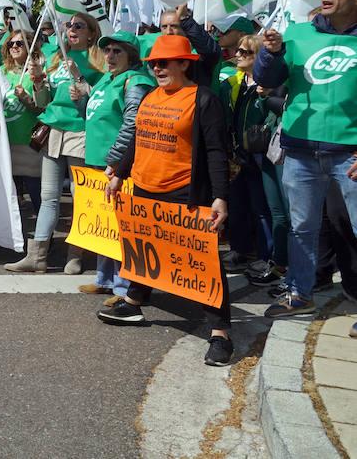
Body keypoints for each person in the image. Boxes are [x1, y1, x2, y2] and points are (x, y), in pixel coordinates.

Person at [99, 34, 234, 367]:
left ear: (184, 64)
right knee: (145, 249)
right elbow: (138, 139)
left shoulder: (202, 99)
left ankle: (220, 332)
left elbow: (217, 151)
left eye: (164, 63)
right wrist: (120, 173)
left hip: (184, 193)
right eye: (154, 63)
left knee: (203, 263)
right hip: (145, 188)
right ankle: (133, 300)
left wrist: (220, 197)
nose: (158, 68)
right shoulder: (150, 97)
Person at [256, 0, 357, 326]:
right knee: (303, 228)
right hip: (300, 151)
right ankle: (299, 294)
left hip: (349, 154)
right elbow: (265, 80)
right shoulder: (297, 34)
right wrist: (271, 54)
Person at [6, 11, 105, 274]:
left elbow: (97, 103)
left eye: (79, 26)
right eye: (69, 25)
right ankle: (36, 257)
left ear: (91, 32)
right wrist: (38, 79)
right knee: (48, 196)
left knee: (78, 196)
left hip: (79, 133)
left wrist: (82, 83)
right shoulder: (57, 58)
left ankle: (75, 255)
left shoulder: (99, 63)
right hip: (53, 131)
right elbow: (42, 103)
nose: (71, 29)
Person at [82, 31, 156, 302]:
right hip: (97, 162)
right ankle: (105, 279)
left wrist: (115, 159)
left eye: (117, 51)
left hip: (118, 166)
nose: (110, 56)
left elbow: (132, 124)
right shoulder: (107, 78)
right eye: (108, 50)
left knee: (122, 228)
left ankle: (124, 288)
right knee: (103, 224)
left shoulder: (135, 81)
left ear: (131, 56)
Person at [226, 34, 289, 286]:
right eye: (239, 51)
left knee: (270, 210)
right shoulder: (238, 83)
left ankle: (271, 258)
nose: (238, 55)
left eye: (245, 52)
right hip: (244, 153)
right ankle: (264, 257)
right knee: (250, 206)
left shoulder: (273, 83)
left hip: (267, 153)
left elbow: (277, 113)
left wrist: (266, 95)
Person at [0, 29, 49, 217]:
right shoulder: (1, 71)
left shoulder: (36, 72)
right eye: (11, 43)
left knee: (36, 193)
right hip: (5, 141)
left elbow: (43, 107)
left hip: (28, 142)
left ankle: (44, 237)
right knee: (8, 195)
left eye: (19, 43)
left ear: (30, 46)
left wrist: (27, 98)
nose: (14, 47)